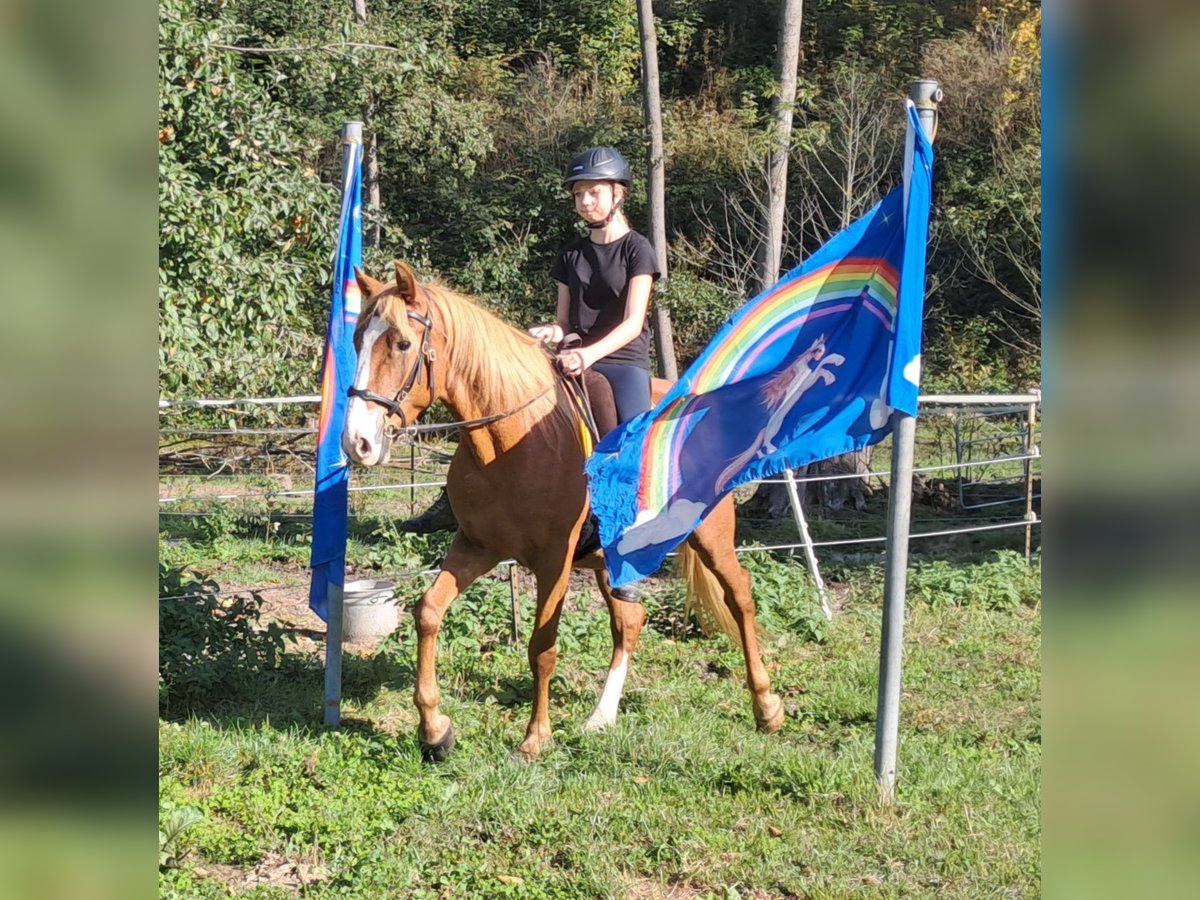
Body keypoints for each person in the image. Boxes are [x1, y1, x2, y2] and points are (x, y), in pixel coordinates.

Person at [529, 146, 660, 426]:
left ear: (618, 194)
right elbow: (565, 322)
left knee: (633, 444)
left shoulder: (637, 249)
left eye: (593, 192)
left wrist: (588, 355)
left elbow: (633, 323)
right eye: (578, 194)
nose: (584, 201)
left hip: (622, 363)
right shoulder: (570, 254)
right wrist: (550, 331)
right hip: (572, 359)